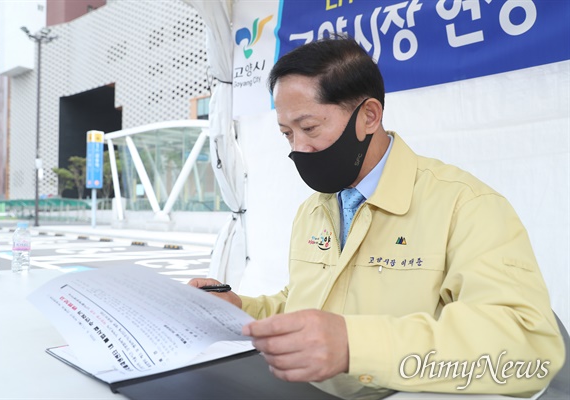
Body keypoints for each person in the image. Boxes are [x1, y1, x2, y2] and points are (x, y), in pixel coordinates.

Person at [190, 36, 565, 399]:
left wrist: (356, 346)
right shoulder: (315, 209)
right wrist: (242, 309)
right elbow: (304, 306)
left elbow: (528, 345)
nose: (298, 149)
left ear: (369, 116)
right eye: (287, 134)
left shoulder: (464, 205)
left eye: (309, 128)